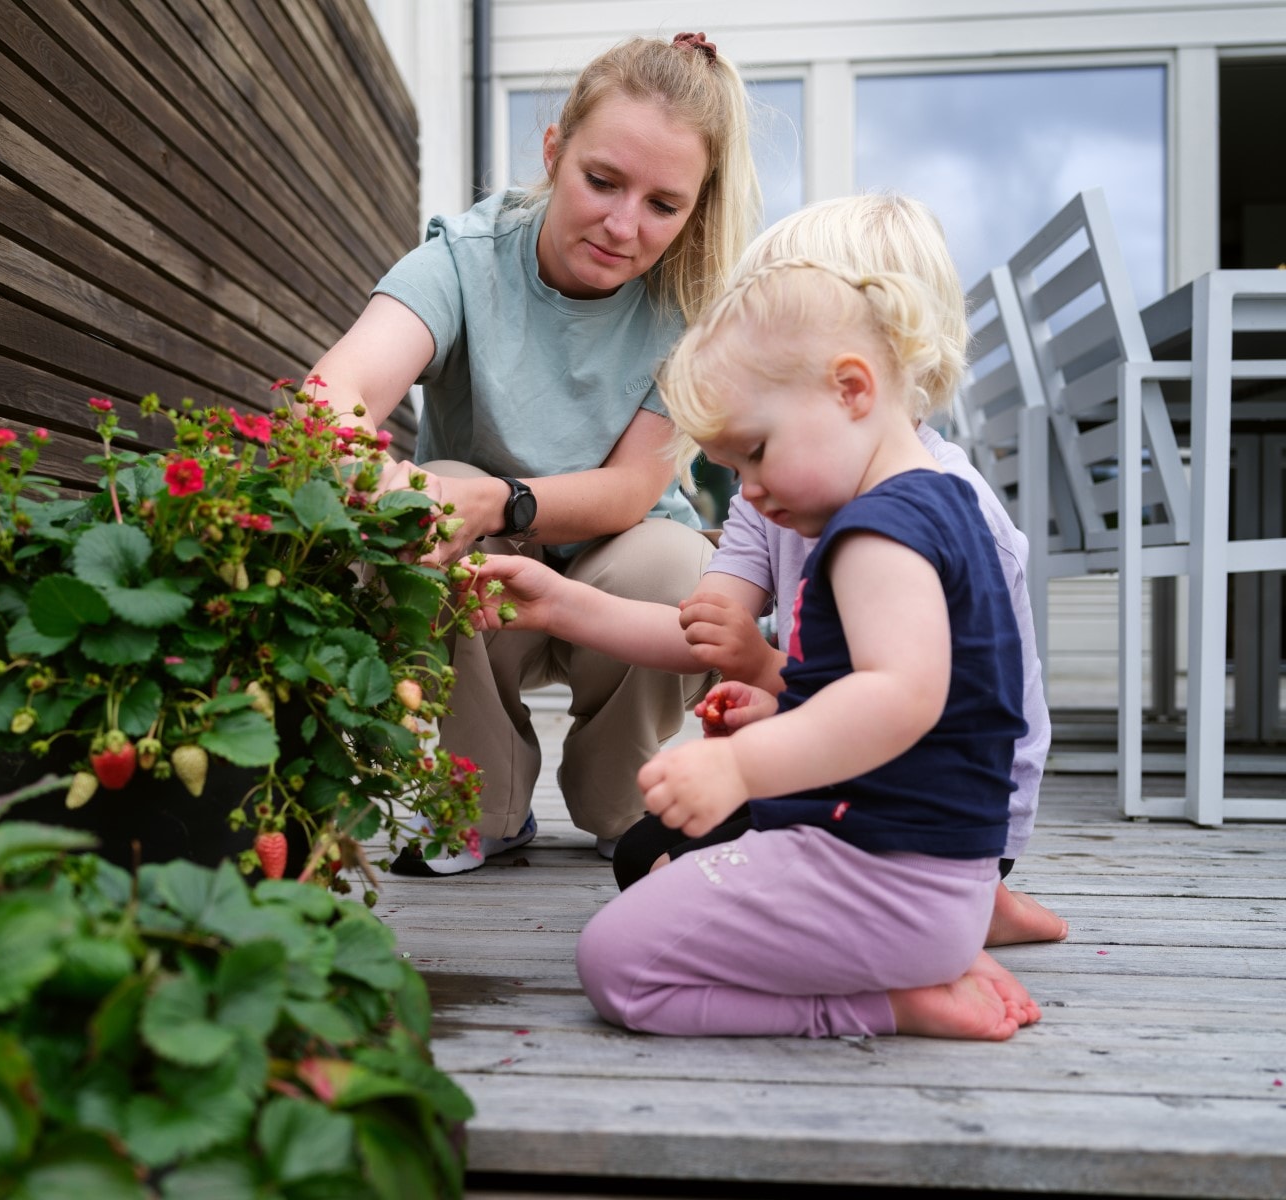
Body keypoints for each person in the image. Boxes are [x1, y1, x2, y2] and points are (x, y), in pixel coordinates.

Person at [472, 193, 1067, 947]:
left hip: (937, 812)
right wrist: (558, 602)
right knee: (643, 854)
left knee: (671, 892)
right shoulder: (777, 490)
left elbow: (933, 715)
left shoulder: (938, 519)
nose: (745, 482)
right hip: (844, 769)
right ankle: (962, 913)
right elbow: (703, 635)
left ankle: (968, 901)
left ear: (852, 378)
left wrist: (769, 683)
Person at [306, 32, 760, 875]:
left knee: (681, 565)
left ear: (696, 208)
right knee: (434, 491)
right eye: (601, 181)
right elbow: (332, 396)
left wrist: (505, 499)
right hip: (483, 587)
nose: (624, 226)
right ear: (554, 153)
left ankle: (627, 805)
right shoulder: (463, 259)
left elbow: (631, 489)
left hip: (616, 590)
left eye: (664, 204)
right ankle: (479, 806)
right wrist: (381, 480)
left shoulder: (688, 312)